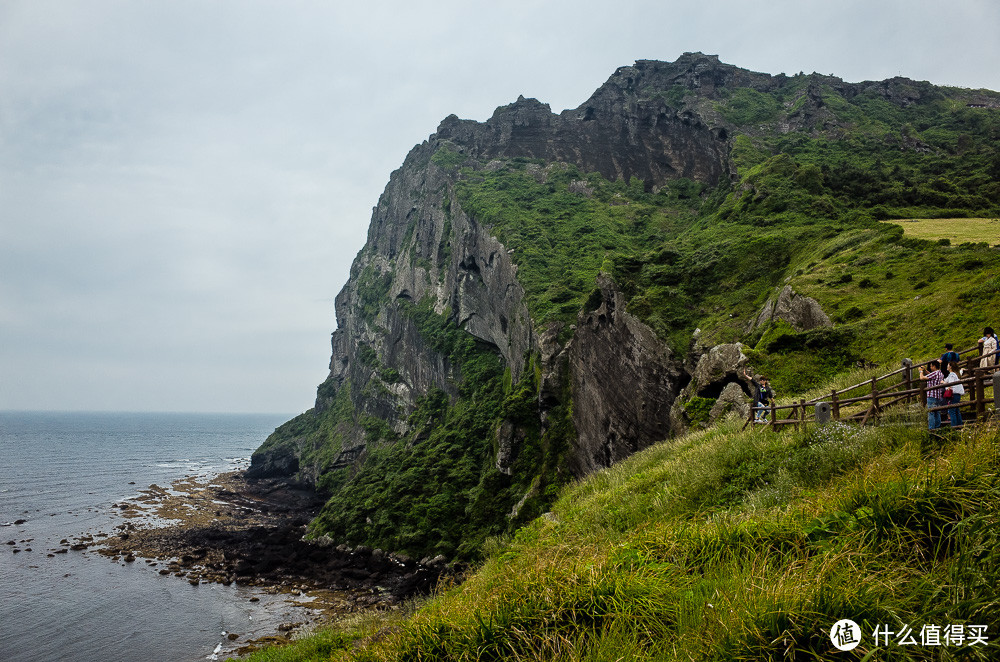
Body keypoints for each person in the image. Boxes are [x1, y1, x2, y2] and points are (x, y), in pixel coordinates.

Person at [919, 360, 944, 430]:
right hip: (938, 395)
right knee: (937, 412)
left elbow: (922, 378)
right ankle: (937, 427)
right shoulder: (940, 373)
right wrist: (926, 370)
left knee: (931, 413)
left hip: (931, 395)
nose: (930, 367)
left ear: (934, 366)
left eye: (931, 366)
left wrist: (921, 372)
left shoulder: (935, 373)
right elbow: (931, 376)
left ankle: (931, 428)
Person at [942, 361, 964, 427]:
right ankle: (960, 425)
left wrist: (945, 384)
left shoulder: (952, 374)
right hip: (957, 394)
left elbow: (950, 383)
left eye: (948, 365)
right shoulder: (956, 374)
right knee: (956, 410)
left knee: (952, 411)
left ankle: (954, 426)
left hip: (953, 394)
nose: (947, 366)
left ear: (950, 367)